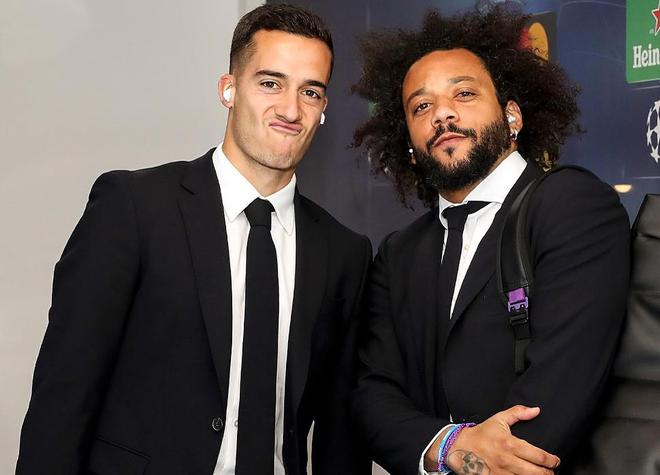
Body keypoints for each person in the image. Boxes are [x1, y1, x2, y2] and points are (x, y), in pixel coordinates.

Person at [16, 4, 371, 475]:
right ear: (228, 89)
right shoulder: (133, 207)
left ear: (323, 108)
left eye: (310, 91)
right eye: (270, 83)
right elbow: (64, 393)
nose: (290, 109)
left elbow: (340, 434)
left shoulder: (344, 253)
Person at [351, 4, 629, 474]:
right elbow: (372, 396)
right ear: (411, 149)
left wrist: (477, 459)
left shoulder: (571, 205)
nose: (442, 113)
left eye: (464, 93)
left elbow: (557, 395)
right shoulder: (398, 254)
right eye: (421, 106)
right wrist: (449, 446)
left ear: (512, 116)